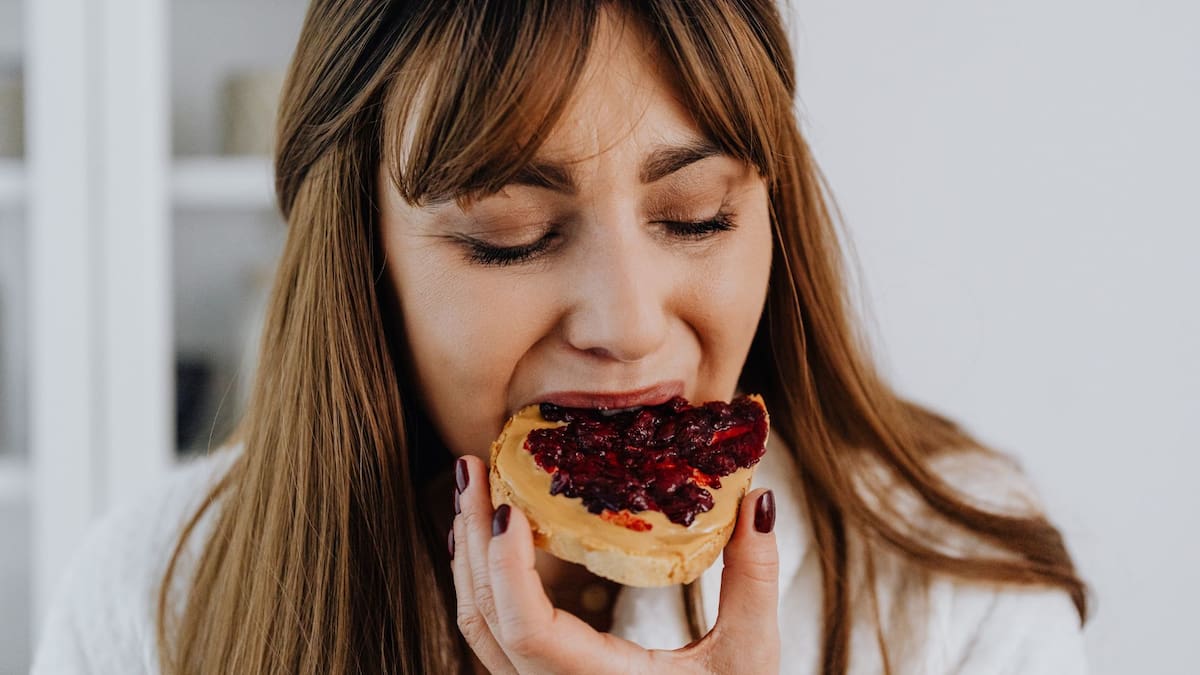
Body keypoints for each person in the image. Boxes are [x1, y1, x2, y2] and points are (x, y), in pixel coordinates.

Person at [31, 1, 1090, 673]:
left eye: (696, 218)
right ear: (361, 262)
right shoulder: (155, 601)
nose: (629, 326)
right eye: (512, 238)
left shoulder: (956, 590)